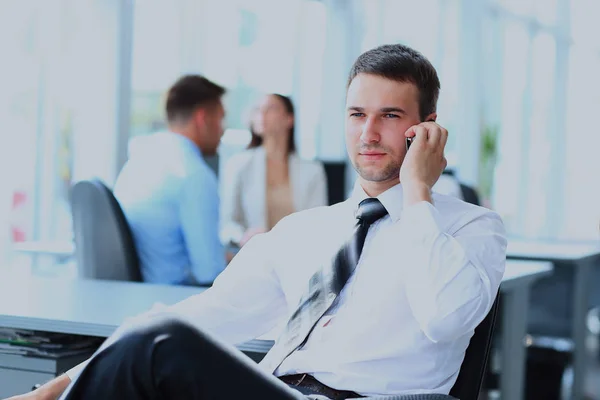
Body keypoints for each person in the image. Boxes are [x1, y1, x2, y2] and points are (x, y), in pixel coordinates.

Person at [9, 43, 506, 400]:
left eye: (391, 115)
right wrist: (54, 389)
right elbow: (197, 318)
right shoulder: (303, 231)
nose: (369, 133)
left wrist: (419, 192)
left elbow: (446, 318)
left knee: (160, 348)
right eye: (357, 114)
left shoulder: (471, 229)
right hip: (274, 389)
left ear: (429, 127)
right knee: (158, 338)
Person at [113, 75, 227, 285]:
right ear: (203, 119)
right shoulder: (194, 175)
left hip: (137, 295)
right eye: (221, 118)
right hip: (173, 299)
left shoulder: (141, 158)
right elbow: (210, 273)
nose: (223, 130)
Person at [220, 93, 328, 247]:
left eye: (271, 108)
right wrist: (243, 236)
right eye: (258, 109)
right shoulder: (238, 165)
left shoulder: (313, 171)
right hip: (255, 255)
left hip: (298, 254)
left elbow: (319, 223)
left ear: (289, 119)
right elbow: (227, 224)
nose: (262, 114)